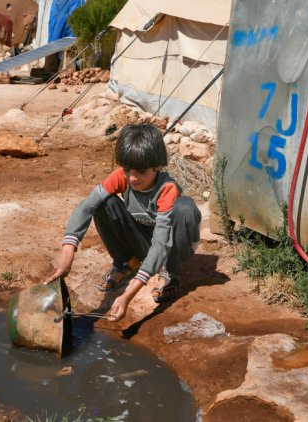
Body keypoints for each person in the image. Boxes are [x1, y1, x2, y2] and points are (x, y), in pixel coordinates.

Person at [43, 124, 201, 322]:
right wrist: (68, 252)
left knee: (184, 208)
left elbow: (160, 243)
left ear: (158, 166)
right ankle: (127, 261)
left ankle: (170, 272)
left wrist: (128, 295)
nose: (133, 178)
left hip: (169, 245)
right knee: (103, 203)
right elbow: (86, 207)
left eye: (141, 171)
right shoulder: (121, 177)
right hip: (144, 240)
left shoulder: (166, 188)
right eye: (127, 170)